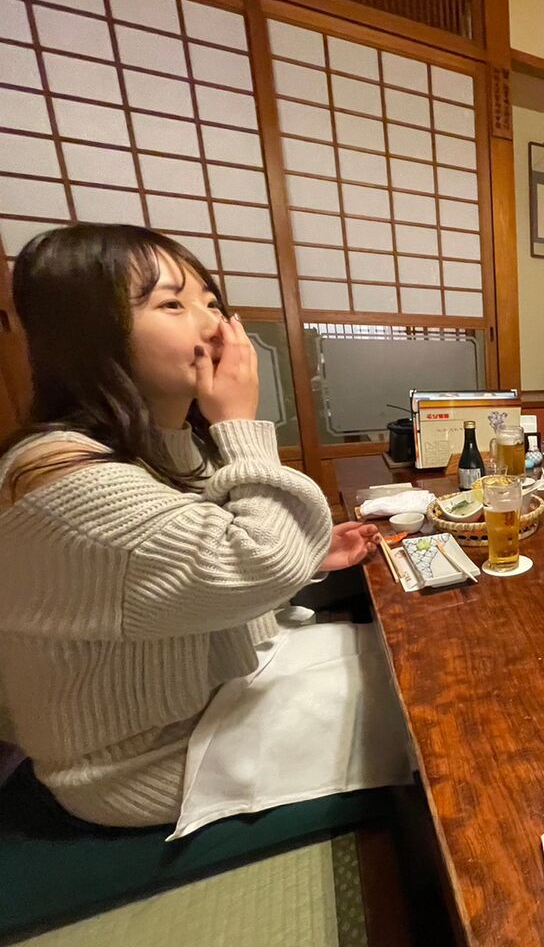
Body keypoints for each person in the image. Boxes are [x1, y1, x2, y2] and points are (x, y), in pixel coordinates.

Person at [0, 224, 383, 828]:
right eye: (172, 305)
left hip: (221, 695)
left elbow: (191, 571)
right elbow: (254, 561)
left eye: (210, 301)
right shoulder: (60, 476)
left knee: (401, 662)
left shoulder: (158, 447)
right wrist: (240, 425)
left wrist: (305, 557)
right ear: (88, 334)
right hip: (149, 761)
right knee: (427, 712)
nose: (214, 326)